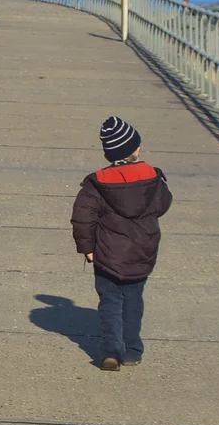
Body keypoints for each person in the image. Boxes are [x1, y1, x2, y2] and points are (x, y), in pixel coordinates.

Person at [70, 116, 172, 371]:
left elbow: (82, 218)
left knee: (111, 302)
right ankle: (132, 350)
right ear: (136, 149)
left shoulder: (97, 183)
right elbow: (163, 205)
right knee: (134, 301)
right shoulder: (152, 177)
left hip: (107, 255)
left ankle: (112, 351)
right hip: (142, 252)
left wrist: (87, 248)